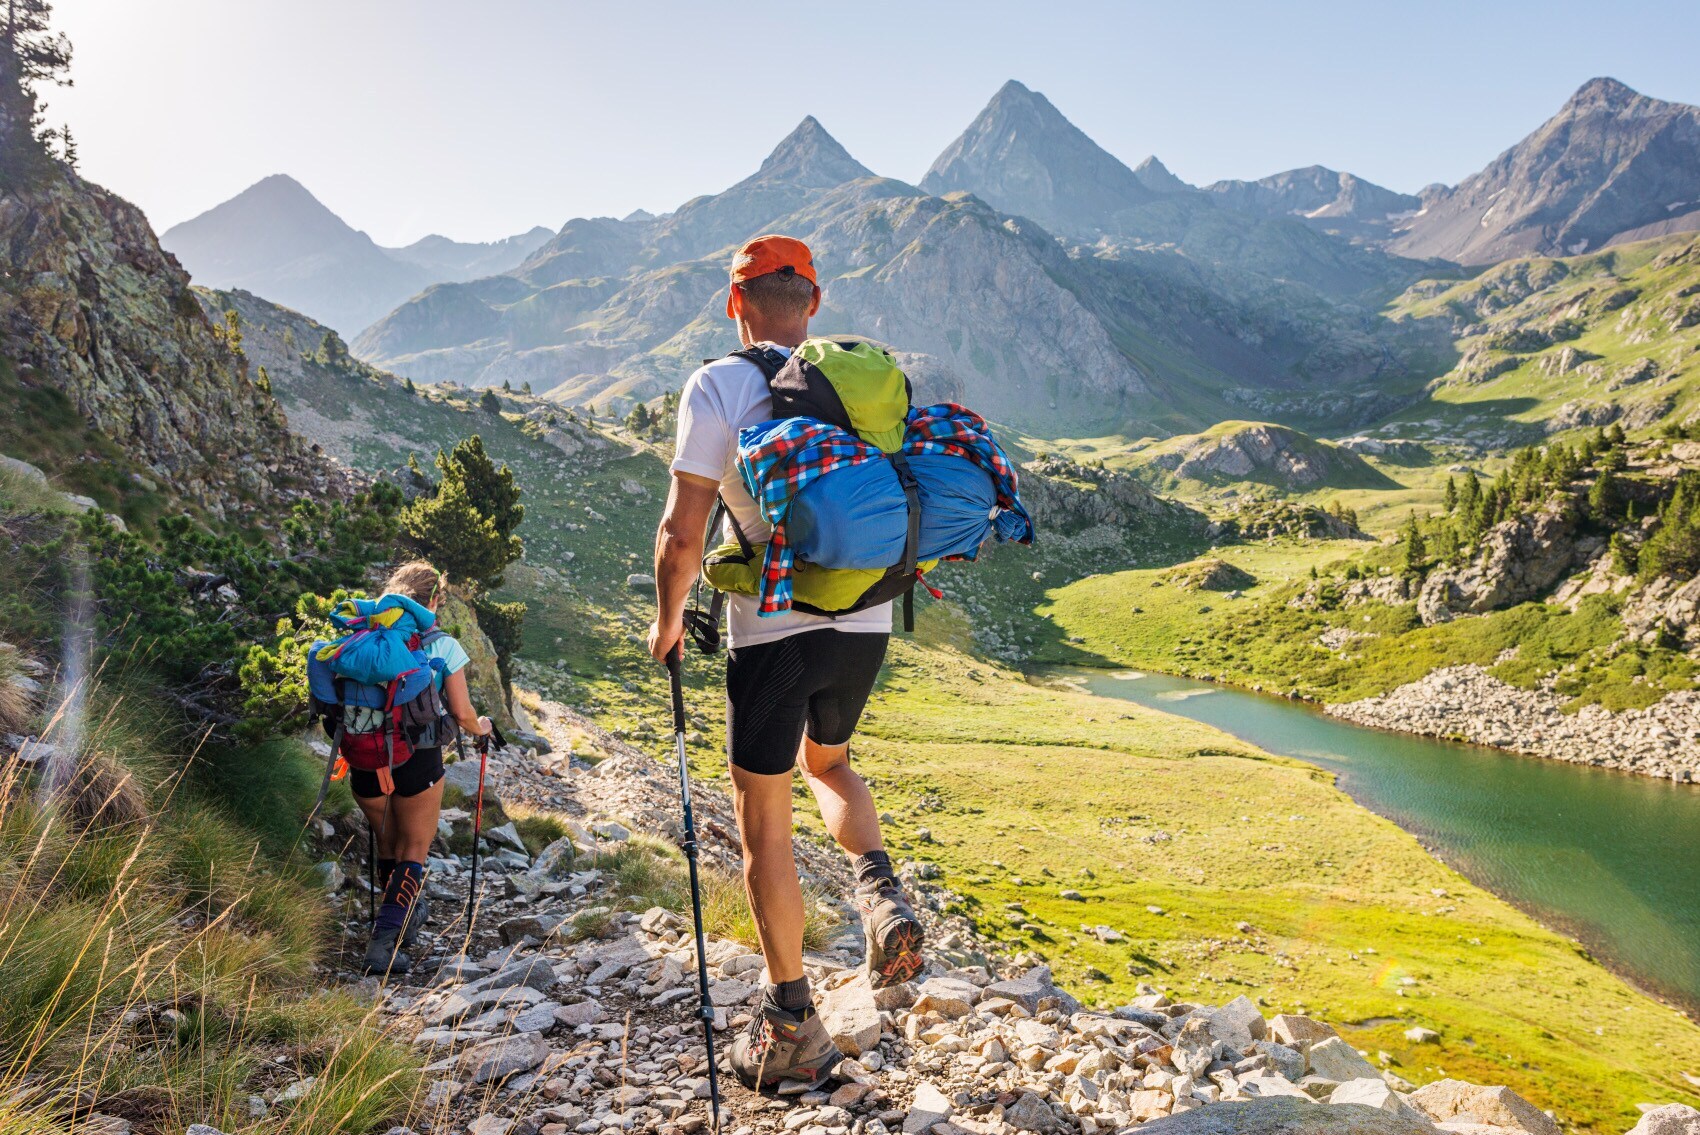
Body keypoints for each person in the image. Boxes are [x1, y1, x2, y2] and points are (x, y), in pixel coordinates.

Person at [647, 234, 926, 1089]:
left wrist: (665, 623)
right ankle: (880, 893)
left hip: (770, 630)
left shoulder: (719, 384)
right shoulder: (859, 385)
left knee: (762, 814)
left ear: (735, 303)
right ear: (814, 302)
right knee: (831, 761)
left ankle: (791, 1021)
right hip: (868, 614)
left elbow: (682, 532)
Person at [357, 560, 492, 975]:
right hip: (418, 759)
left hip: (364, 758)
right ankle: (385, 942)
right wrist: (482, 726)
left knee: (388, 842)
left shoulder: (362, 638)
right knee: (414, 847)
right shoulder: (442, 644)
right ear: (434, 599)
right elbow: (463, 712)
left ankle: (399, 911)